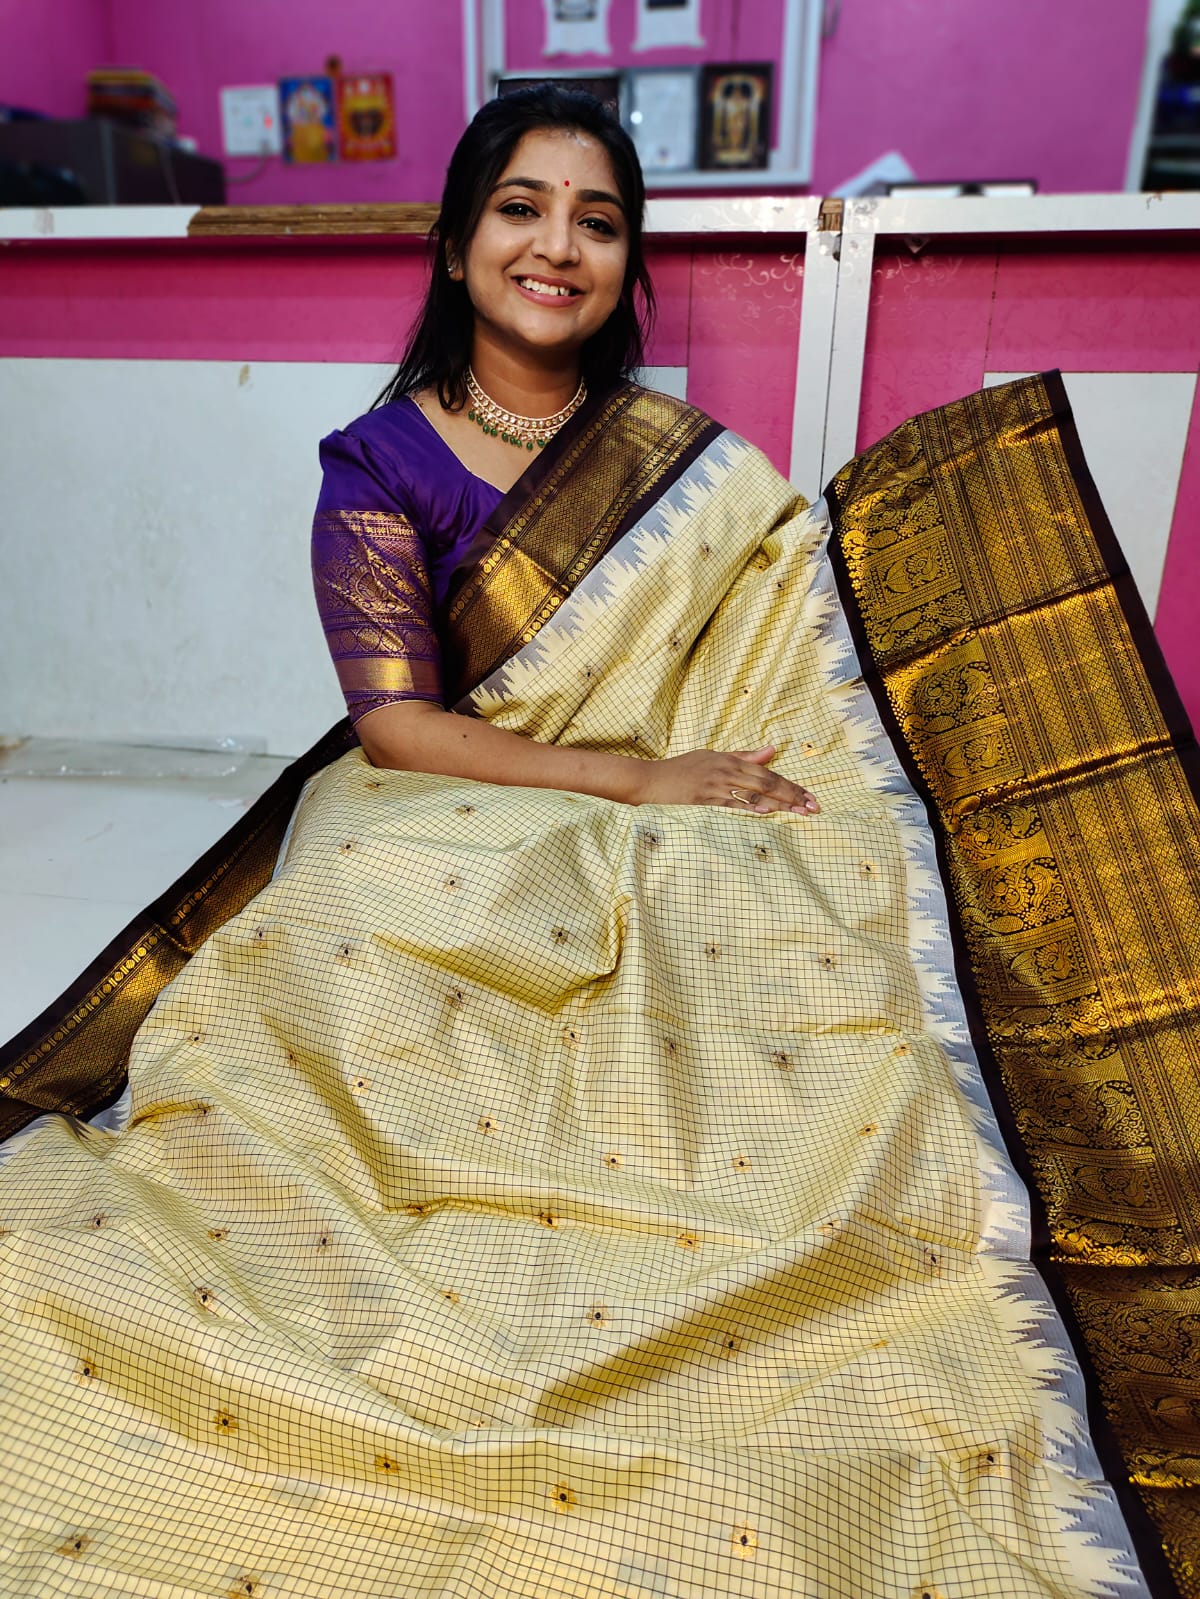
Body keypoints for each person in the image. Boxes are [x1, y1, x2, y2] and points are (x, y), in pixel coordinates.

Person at [0, 85, 1176, 1599]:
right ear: (453, 245)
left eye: (599, 221)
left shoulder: (671, 457)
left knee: (790, 897)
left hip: (650, 781)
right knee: (351, 934)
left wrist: (756, 745)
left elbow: (780, 611)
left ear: (627, 264)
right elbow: (396, 728)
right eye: (522, 208)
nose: (559, 246)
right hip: (447, 795)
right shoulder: (377, 463)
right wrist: (633, 784)